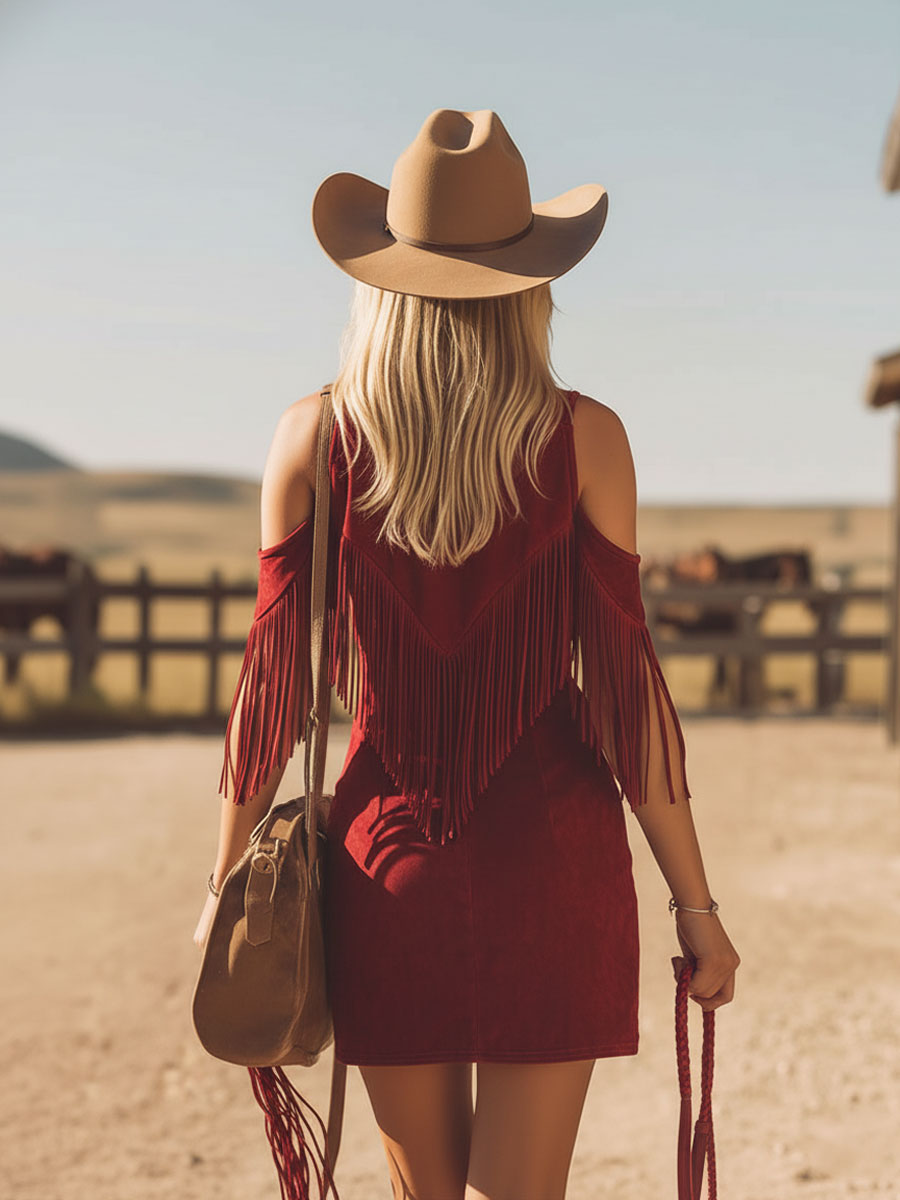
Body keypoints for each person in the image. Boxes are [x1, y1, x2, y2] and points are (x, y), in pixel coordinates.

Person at [194, 108, 740, 1200]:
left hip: (386, 865)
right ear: (532, 287)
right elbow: (627, 694)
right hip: (556, 857)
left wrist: (226, 889)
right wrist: (696, 905)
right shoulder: (587, 437)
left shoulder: (311, 438)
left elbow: (272, 690)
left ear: (379, 283)